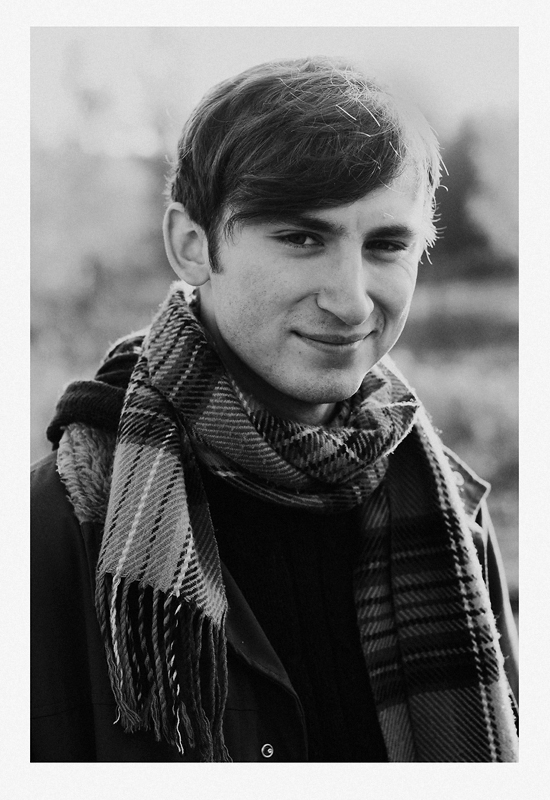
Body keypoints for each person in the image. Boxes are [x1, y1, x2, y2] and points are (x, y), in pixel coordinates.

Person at [31, 56, 519, 762]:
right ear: (191, 246)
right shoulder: (58, 528)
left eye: (387, 245)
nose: (351, 300)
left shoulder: (449, 508)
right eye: (301, 238)